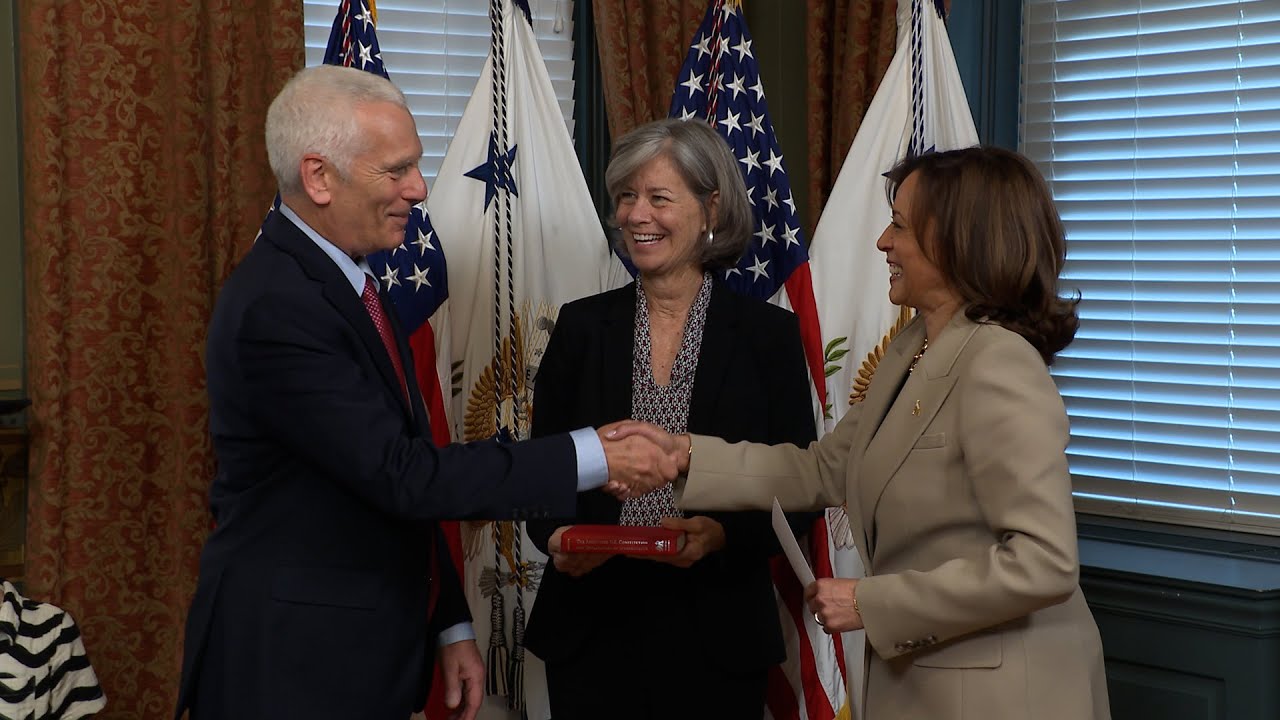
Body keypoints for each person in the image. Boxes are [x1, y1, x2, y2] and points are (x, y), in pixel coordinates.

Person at [174, 65, 675, 720]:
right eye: (396, 170)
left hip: (353, 652)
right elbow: (404, 475)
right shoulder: (279, 306)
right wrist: (596, 456)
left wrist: (449, 623)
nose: (417, 189)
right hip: (292, 667)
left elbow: (399, 464)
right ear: (319, 176)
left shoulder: (348, 283)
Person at [612, 146, 1112, 719]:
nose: (883, 242)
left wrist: (872, 602)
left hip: (1001, 695)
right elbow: (821, 469)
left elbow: (1043, 562)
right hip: (928, 682)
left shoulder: (999, 364)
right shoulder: (911, 350)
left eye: (900, 225)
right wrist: (683, 455)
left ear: (957, 241)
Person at [522, 118, 817, 720]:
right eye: (626, 197)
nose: (636, 215)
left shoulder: (769, 338)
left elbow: (802, 487)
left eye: (658, 197)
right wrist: (553, 538)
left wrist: (723, 536)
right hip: (589, 627)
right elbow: (539, 473)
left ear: (711, 208)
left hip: (717, 631)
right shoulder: (580, 328)